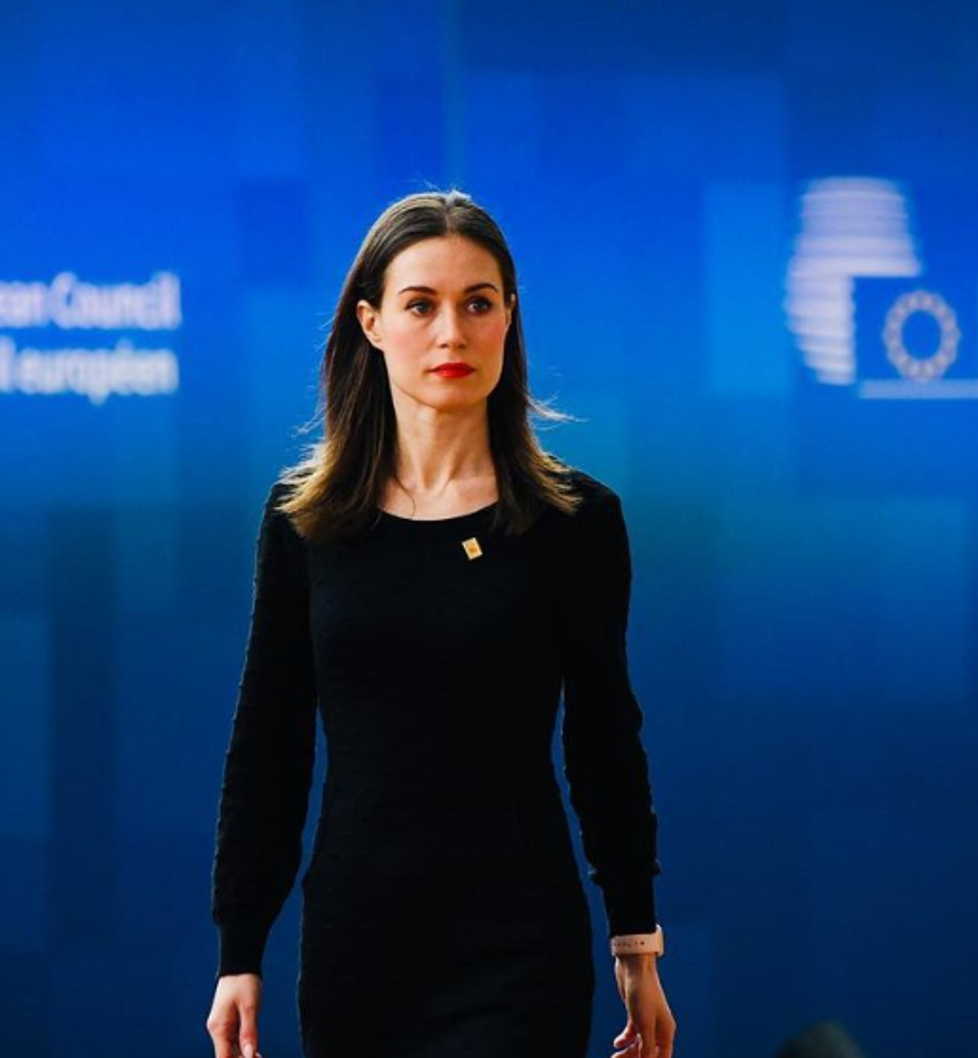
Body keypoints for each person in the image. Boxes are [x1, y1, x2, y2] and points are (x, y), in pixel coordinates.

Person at [204, 189, 676, 1058]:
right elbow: (269, 743)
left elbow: (605, 740)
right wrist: (241, 948)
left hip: (518, 946)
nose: (452, 333)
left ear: (509, 318)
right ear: (372, 323)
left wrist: (635, 941)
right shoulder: (305, 520)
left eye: (477, 304)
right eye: (421, 305)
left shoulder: (574, 523)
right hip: (359, 946)